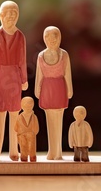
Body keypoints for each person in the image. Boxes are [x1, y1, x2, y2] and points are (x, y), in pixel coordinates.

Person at [0, 1, 28, 161]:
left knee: (15, 116)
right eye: (7, 14)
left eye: (13, 14)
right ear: (0, 16)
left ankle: (13, 150)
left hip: (15, 77)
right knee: (0, 116)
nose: (10, 17)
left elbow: (22, 60)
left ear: (17, 16)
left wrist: (24, 79)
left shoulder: (20, 36)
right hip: (1, 77)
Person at [35, 26, 73, 160]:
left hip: (60, 88)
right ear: (44, 39)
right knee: (49, 120)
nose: (51, 40)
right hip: (46, 89)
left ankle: (58, 152)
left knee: (59, 120)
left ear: (60, 38)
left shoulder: (64, 55)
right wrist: (37, 89)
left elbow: (68, 74)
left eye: (54, 36)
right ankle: (52, 151)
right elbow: (39, 75)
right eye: (48, 37)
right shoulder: (41, 56)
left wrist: (70, 90)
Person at [13, 97, 39, 162]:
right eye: (25, 104)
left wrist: (32, 133)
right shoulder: (19, 117)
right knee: (23, 148)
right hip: (22, 136)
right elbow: (16, 128)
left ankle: (32, 157)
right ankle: (24, 157)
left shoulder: (34, 117)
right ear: (21, 105)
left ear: (33, 105)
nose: (27, 105)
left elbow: (36, 128)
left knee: (32, 148)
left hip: (31, 135)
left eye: (29, 104)